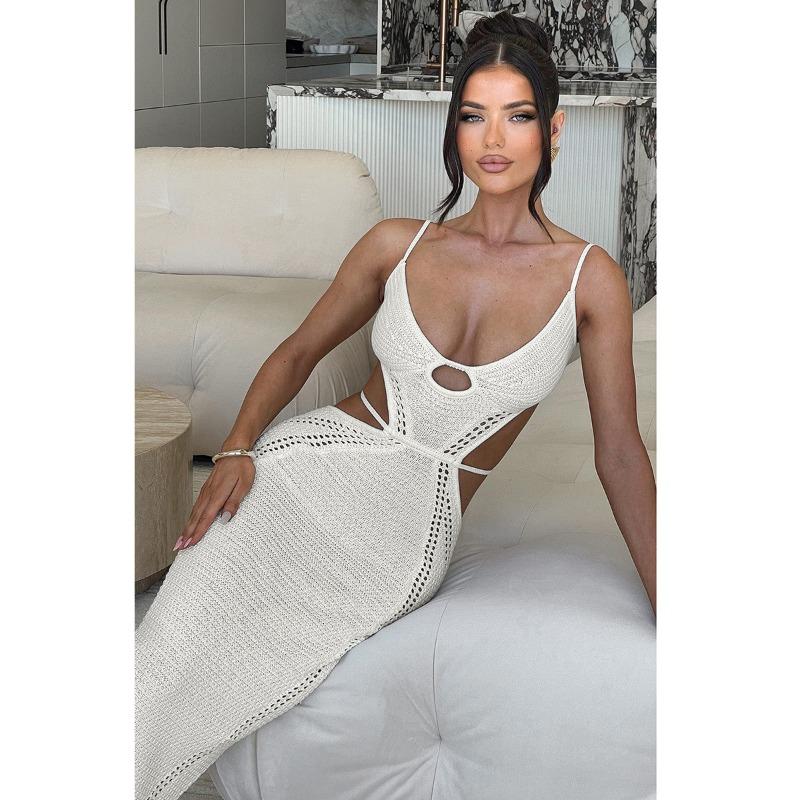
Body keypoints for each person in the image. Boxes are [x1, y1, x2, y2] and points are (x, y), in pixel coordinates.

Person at [135, 10, 656, 800]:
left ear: (553, 132)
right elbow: (298, 352)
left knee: (242, 666)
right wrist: (239, 447)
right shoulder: (398, 245)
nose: (493, 138)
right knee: (170, 642)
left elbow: (619, 453)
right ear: (454, 131)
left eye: (517, 117)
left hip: (405, 534)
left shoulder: (591, 279)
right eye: (473, 116)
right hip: (297, 474)